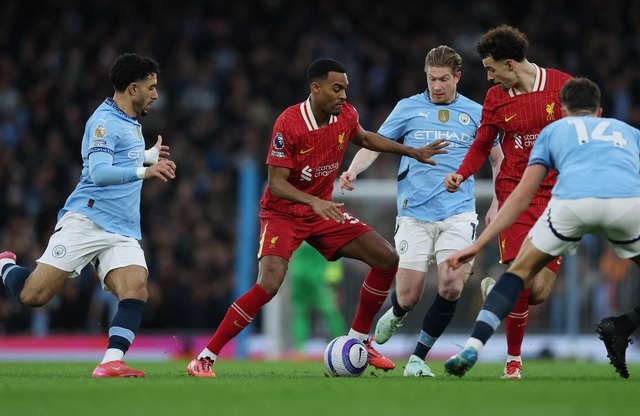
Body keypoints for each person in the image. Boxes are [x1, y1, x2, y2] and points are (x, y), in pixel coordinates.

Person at [186, 58, 450, 377]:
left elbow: (365, 138)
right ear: (316, 88)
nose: (343, 95)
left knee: (386, 258)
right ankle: (205, 357)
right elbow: (277, 184)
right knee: (269, 284)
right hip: (283, 213)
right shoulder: (289, 123)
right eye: (337, 89)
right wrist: (314, 201)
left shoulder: (346, 115)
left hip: (321, 210)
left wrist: (412, 152)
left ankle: (359, 341)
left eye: (345, 89)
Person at [443, 77, 640, 378]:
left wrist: (477, 244)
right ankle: (625, 324)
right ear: (600, 112)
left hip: (571, 205)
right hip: (625, 205)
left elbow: (521, 196)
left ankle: (473, 345)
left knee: (518, 274)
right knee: (530, 289)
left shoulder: (552, 131)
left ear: (562, 109)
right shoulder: (627, 132)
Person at [0, 53, 177, 378]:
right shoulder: (103, 122)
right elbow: (98, 173)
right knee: (32, 296)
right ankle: (5, 263)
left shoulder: (130, 122)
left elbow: (121, 158)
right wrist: (142, 171)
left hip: (121, 229)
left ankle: (111, 361)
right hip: (87, 220)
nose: (156, 94)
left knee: (136, 289)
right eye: (151, 88)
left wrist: (147, 156)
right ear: (133, 88)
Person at [339, 45, 503, 377]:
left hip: (458, 213)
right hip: (414, 214)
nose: (437, 86)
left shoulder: (476, 112)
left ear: (457, 77)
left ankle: (417, 359)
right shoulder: (408, 108)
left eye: (443, 79)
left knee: (451, 285)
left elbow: (497, 159)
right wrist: (354, 169)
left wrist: (499, 200)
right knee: (409, 295)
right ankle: (398, 311)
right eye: (431, 79)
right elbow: (375, 144)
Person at [444, 24, 573, 379]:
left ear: (511, 64)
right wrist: (462, 172)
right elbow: (483, 144)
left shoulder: (563, 86)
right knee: (521, 278)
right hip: (515, 193)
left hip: (556, 199)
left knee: (538, 292)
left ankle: (496, 289)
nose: (488, 77)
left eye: (491, 68)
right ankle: (513, 362)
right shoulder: (496, 98)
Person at [289, 241, 345, 355]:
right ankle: (343, 347)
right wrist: (334, 282)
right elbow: (336, 256)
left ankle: (299, 351)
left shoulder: (295, 230)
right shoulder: (323, 229)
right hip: (317, 278)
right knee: (331, 312)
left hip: (299, 277)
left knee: (301, 314)